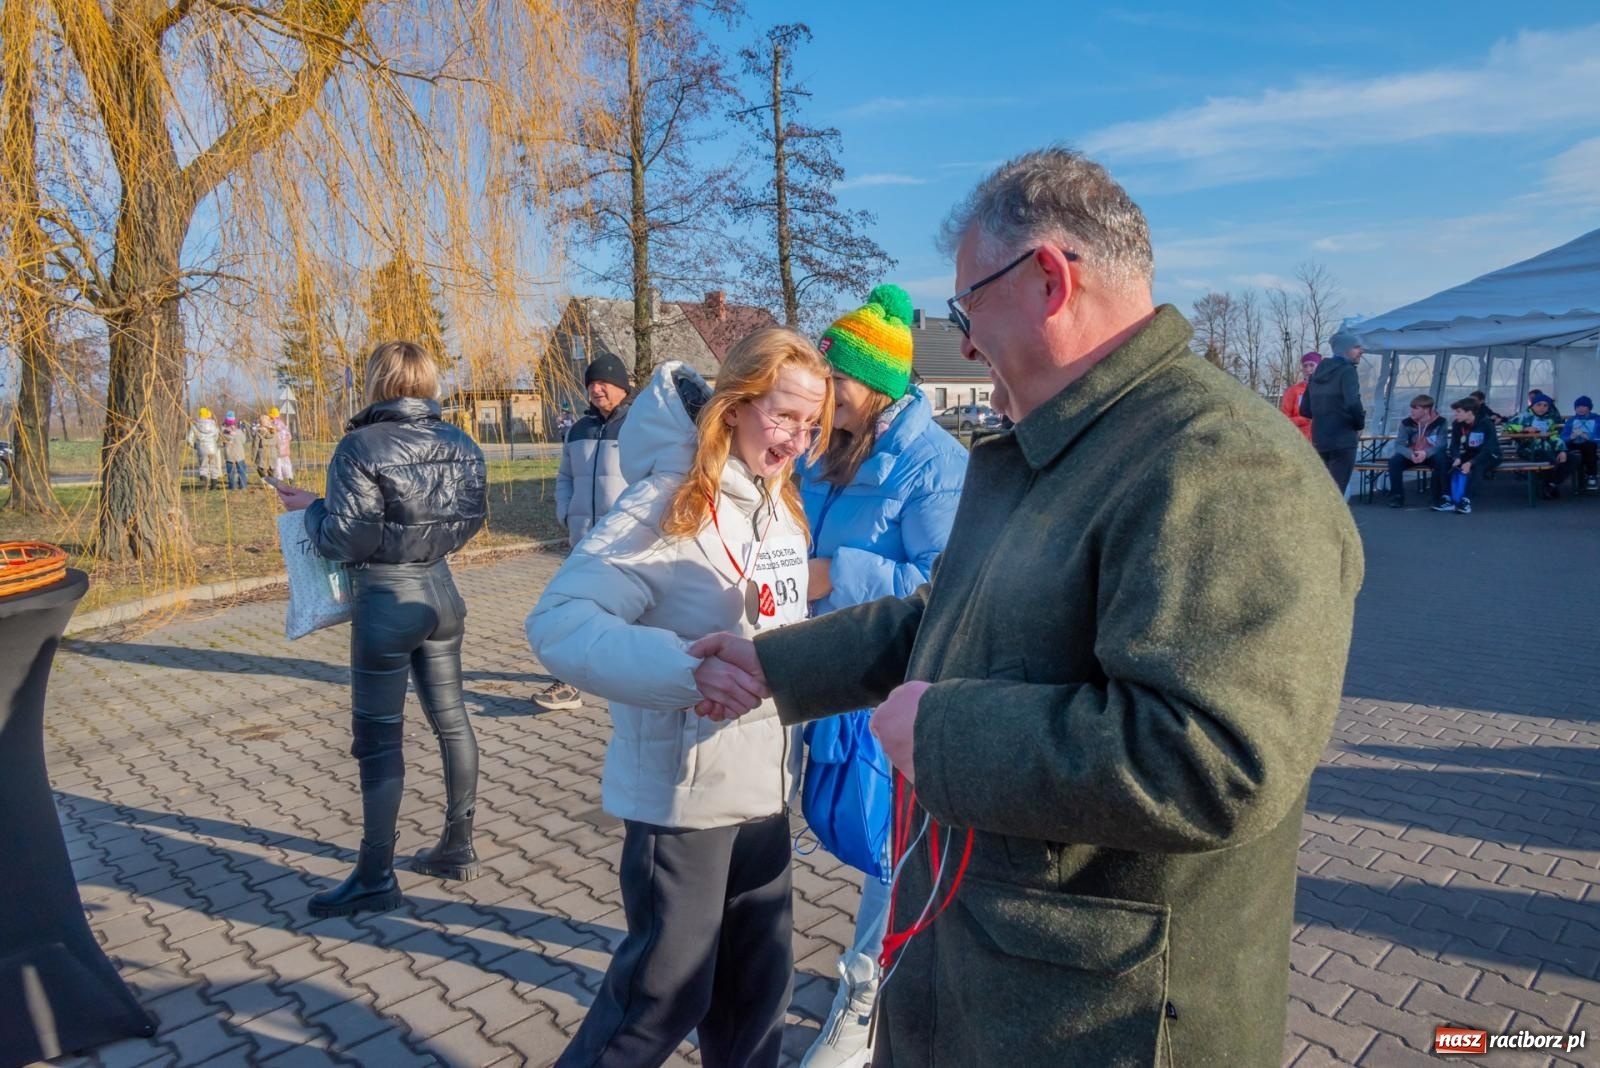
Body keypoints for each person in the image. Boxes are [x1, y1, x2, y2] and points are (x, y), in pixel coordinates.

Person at [691, 148, 1362, 1066]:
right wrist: (772, 663)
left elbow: (1211, 758)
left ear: (1049, 279)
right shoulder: (1070, 444)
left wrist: (944, 735)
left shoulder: (1220, 464)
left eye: (967, 309)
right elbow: (946, 617)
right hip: (1003, 982)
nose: (963, 345)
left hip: (1095, 1018)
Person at [524, 329, 834, 1068]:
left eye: (811, 425)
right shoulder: (666, 501)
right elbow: (558, 622)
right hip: (685, 806)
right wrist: (685, 670)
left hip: (764, 796)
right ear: (735, 406)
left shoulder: (779, 504)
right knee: (658, 1004)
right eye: (783, 417)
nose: (797, 441)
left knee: (756, 1004)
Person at [797, 284, 967, 1068]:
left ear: (873, 386)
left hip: (888, 682)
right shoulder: (825, 449)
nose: (819, 390)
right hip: (818, 667)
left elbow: (944, 587)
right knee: (838, 826)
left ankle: (863, 1002)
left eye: (833, 379)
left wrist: (835, 573)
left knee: (892, 850)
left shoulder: (935, 466)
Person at [274, 340, 488, 916]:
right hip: (442, 592)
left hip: (387, 600)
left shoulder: (360, 446)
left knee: (379, 739)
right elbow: (470, 518)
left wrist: (311, 510)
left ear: (377, 382)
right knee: (452, 722)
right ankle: (458, 845)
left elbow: (346, 538)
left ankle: (375, 875)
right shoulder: (461, 442)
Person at [536, 352, 636, 713]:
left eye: (604, 383)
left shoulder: (638, 427)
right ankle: (569, 683)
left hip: (626, 543)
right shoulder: (578, 430)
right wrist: (566, 514)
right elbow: (565, 477)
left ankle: (631, 675)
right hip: (582, 541)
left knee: (626, 614)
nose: (596, 389)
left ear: (622, 387)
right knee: (575, 611)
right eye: (592, 384)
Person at [1300, 329, 1366, 492]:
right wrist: (1359, 425)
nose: (1361, 351)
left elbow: (1305, 410)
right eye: (1356, 347)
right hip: (1343, 440)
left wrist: (1324, 415)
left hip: (1320, 440)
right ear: (1345, 349)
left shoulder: (1316, 374)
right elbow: (1352, 403)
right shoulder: (1347, 371)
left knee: (1323, 493)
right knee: (1336, 493)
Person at [1434, 395, 1500, 515]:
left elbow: (1489, 448)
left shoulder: (1486, 423)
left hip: (1490, 455)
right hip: (1470, 453)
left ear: (1469, 412)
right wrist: (1456, 457)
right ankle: (1447, 498)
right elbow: (1454, 445)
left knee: (1478, 466)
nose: (1456, 415)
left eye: (1459, 412)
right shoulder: (1457, 424)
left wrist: (1471, 462)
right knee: (1444, 462)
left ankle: (1466, 500)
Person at [1386, 394, 1449, 508]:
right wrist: (1410, 454)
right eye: (1412, 408)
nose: (1412, 411)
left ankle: (1436, 498)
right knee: (1394, 461)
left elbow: (1442, 444)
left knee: (1442, 460)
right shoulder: (1406, 423)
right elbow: (1399, 444)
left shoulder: (1441, 422)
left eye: (1416, 408)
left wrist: (1426, 453)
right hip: (1413, 454)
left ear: (1426, 410)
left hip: (1431, 454)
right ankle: (1397, 497)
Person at [1506, 392, 1564, 499]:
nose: (1542, 408)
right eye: (1539, 405)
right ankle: (1545, 485)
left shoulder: (1549, 420)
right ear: (1533, 405)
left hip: (1547, 448)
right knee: (1550, 459)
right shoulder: (1523, 416)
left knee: (1572, 458)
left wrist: (1562, 450)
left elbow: (1554, 436)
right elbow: (1506, 427)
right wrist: (1523, 429)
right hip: (1528, 448)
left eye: (1545, 405)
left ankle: (1550, 484)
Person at [1559, 396, 1598, 491]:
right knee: (1564, 449)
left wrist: (1587, 437)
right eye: (1578, 407)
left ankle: (1591, 475)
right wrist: (1571, 437)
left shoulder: (1597, 419)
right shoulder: (1571, 420)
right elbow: (1563, 437)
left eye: (1584, 406)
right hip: (1574, 443)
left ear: (1589, 407)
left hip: (1589, 444)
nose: (1580, 409)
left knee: (1589, 447)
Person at [1280, 352, 1319, 442]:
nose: (1308, 369)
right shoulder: (1293, 391)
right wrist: (1305, 419)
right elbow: (1284, 420)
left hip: (1323, 442)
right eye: (1305, 366)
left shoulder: (1327, 390)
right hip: (1300, 441)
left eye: (1311, 365)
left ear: (1319, 367)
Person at [188, 407, 223, 489]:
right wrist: (213, 443)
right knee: (214, 466)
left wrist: (195, 446)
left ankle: (204, 482)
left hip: (202, 448)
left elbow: (189, 439)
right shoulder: (214, 425)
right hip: (213, 448)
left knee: (203, 467)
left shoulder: (195, 426)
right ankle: (213, 486)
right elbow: (217, 436)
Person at [220, 412, 249, 490]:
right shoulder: (239, 431)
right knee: (242, 471)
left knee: (231, 471)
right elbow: (244, 441)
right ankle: (243, 485)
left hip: (229, 454)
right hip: (239, 454)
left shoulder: (223, 432)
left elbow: (221, 443)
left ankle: (232, 486)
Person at [271, 407, 295, 483]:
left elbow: (273, 437)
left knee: (278, 465)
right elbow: (290, 437)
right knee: (287, 463)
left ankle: (279, 480)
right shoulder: (283, 425)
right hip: (286, 449)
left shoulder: (273, 425)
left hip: (278, 449)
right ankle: (290, 478)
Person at [253, 411, 276, 484]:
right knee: (271, 468)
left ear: (261, 423)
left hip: (262, 453)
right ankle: (272, 483)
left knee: (260, 468)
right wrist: (278, 453)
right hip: (273, 452)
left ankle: (265, 480)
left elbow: (255, 445)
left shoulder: (259, 432)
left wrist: (253, 457)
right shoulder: (274, 431)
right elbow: (277, 442)